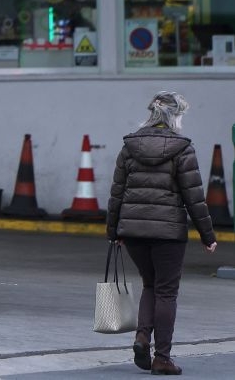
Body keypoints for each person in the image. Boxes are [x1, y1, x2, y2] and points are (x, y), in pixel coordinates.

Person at [106, 90, 217, 376]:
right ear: (174, 116)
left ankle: (142, 336)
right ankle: (162, 358)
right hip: (168, 232)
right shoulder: (182, 148)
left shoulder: (130, 145)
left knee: (150, 285)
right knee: (167, 292)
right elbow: (194, 197)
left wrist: (114, 230)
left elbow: (117, 191)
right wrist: (208, 236)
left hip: (132, 230)